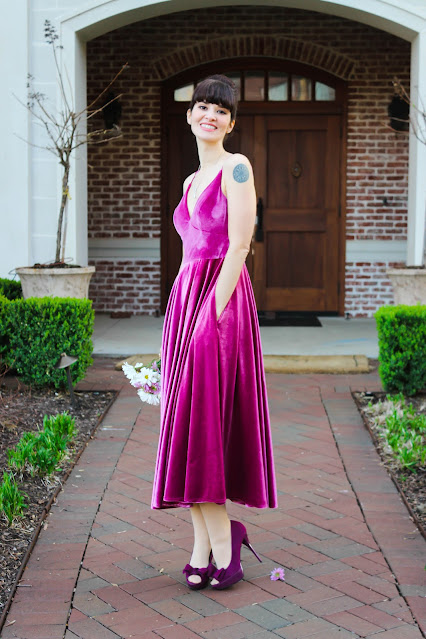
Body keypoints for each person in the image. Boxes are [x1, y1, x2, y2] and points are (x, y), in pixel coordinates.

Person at [151, 74, 277, 590]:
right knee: (187, 424)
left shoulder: (237, 168)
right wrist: (182, 312)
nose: (210, 115)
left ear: (230, 121)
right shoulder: (188, 181)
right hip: (188, 299)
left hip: (221, 305)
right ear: (189, 115)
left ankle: (226, 551)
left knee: (204, 421)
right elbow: (189, 253)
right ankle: (202, 548)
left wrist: (210, 316)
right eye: (203, 106)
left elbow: (240, 247)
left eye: (221, 110)